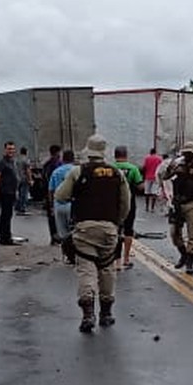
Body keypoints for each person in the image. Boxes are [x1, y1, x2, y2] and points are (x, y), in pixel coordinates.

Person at [55, 134, 131, 333]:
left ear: (88, 151)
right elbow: (126, 203)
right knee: (107, 269)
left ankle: (88, 314)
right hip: (109, 229)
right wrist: (116, 223)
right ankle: (106, 313)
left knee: (86, 270)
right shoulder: (117, 173)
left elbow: (60, 196)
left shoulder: (78, 171)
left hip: (85, 229)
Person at [158, 141, 193, 274]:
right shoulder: (178, 165)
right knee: (174, 233)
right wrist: (170, 167)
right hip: (178, 204)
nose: (187, 156)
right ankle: (183, 254)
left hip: (192, 204)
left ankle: (189, 263)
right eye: (186, 153)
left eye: (190, 153)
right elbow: (164, 176)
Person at [112, 145, 144, 270]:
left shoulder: (111, 168)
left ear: (115, 155)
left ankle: (116, 261)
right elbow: (140, 186)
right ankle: (126, 259)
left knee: (115, 231)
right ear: (126, 155)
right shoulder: (133, 169)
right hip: (130, 203)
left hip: (114, 204)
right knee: (128, 230)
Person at [49, 149, 77, 262]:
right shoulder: (76, 171)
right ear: (73, 159)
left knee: (63, 232)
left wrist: (51, 206)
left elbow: (51, 190)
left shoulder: (56, 172)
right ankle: (75, 254)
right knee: (74, 230)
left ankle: (67, 255)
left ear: (62, 159)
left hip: (59, 205)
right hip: (73, 204)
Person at [0, 141, 20, 245]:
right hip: (5, 192)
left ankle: (7, 236)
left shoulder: (12, 162)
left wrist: (16, 190)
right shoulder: (1, 163)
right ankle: (4, 238)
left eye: (12, 149)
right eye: (9, 149)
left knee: (9, 214)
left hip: (12, 191)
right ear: (5, 150)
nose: (11, 151)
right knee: (5, 215)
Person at [42, 144, 63, 244]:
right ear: (57, 153)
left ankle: (54, 236)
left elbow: (44, 180)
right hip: (56, 194)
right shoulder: (58, 165)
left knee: (52, 217)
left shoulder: (46, 165)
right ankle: (57, 236)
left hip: (49, 194)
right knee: (57, 216)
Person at [142, 147, 162, 213]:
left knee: (147, 192)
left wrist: (144, 175)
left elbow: (144, 167)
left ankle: (147, 207)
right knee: (154, 193)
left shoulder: (147, 158)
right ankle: (152, 208)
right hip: (156, 178)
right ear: (155, 152)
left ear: (150, 152)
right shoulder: (159, 159)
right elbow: (161, 168)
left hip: (147, 177)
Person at [15, 146, 32, 215]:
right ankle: (23, 208)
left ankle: (17, 207)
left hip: (18, 178)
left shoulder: (17, 160)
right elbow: (28, 171)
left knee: (20, 194)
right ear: (26, 152)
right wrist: (30, 180)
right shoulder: (26, 160)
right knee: (24, 194)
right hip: (24, 179)